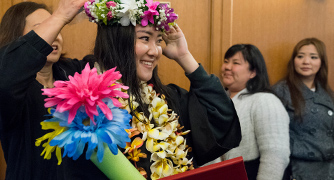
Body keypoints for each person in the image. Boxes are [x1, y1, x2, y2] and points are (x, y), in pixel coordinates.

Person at [56, 1, 241, 179]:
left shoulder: (166, 100)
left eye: (159, 40)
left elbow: (222, 119)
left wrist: (184, 56)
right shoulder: (86, 104)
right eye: (145, 38)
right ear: (117, 41)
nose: (155, 51)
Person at [0, 0, 91, 179]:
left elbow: (116, 61)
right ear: (18, 41)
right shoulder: (13, 87)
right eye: (44, 27)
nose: (56, 34)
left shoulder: (72, 73)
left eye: (58, 28)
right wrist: (60, 16)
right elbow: (7, 75)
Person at [220, 44, 290, 180]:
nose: (227, 67)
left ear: (253, 72)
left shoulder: (265, 101)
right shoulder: (217, 100)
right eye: (226, 61)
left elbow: (275, 155)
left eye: (236, 63)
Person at [273, 38, 334, 180]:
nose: (306, 61)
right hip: (297, 168)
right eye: (300, 56)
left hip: (328, 168)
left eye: (313, 57)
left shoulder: (328, 93)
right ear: (293, 60)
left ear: (321, 62)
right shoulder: (281, 91)